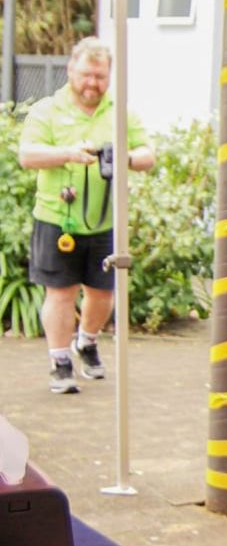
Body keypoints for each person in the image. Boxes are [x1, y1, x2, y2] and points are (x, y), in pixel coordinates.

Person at [17, 36, 154, 394]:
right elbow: (27, 155)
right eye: (86, 75)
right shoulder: (47, 110)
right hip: (57, 219)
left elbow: (147, 155)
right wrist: (68, 153)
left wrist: (123, 158)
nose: (92, 84)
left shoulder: (120, 112)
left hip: (106, 220)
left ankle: (87, 342)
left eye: (100, 76)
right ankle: (60, 361)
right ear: (70, 71)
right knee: (61, 292)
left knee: (102, 292)